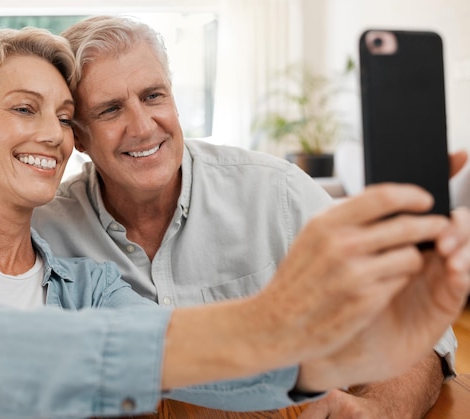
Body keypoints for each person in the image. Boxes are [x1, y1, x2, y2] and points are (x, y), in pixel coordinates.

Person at [0, 28, 465, 419]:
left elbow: (199, 365)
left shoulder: (86, 287)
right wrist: (276, 322)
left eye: (62, 116)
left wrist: (331, 363)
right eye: (23, 109)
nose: (50, 134)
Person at [32, 15, 470, 418]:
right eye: (110, 109)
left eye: (153, 96)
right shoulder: (45, 233)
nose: (144, 126)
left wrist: (381, 409)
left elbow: (418, 336)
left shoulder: (275, 192)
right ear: (79, 136)